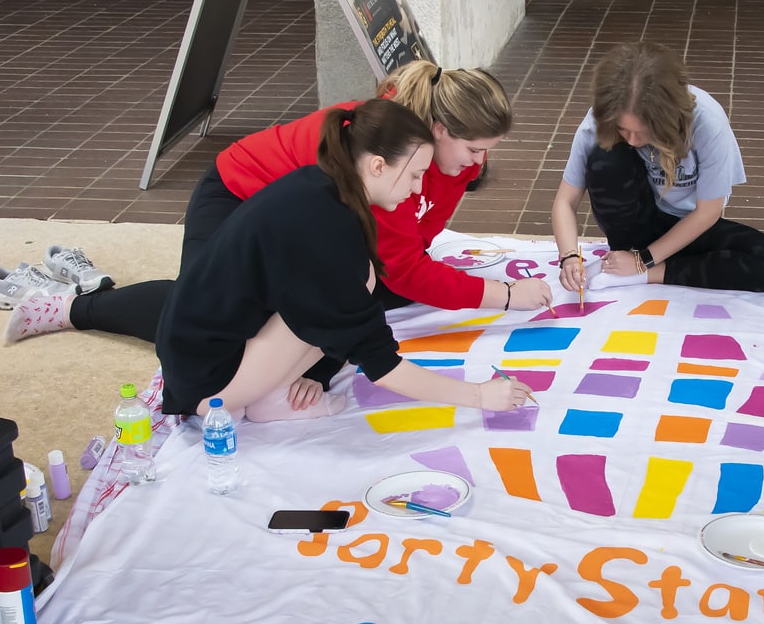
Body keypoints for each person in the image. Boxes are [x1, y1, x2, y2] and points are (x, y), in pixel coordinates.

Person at [2, 61, 549, 345]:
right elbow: (404, 266)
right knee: (213, 323)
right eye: (473, 148)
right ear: (435, 129)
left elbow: (411, 245)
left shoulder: (442, 157)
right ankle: (71, 305)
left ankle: (80, 289)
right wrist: (502, 294)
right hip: (236, 196)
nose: (478, 164)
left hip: (305, 221)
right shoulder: (380, 150)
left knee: (349, 306)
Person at [155, 99, 533, 422]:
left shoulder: (318, 183)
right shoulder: (330, 227)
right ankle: (252, 399)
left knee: (363, 279)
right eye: (415, 175)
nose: (418, 188)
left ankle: (268, 391)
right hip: (206, 386)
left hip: (199, 344)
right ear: (377, 166)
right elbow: (382, 366)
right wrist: (481, 397)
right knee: (356, 288)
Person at [551, 42, 764, 295]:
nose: (633, 140)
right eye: (624, 130)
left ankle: (644, 275)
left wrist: (643, 262)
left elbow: (707, 213)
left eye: (644, 132)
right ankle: (626, 258)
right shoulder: (598, 120)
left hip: (690, 226)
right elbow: (565, 201)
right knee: (605, 156)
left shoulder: (707, 122)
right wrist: (569, 257)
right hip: (634, 225)